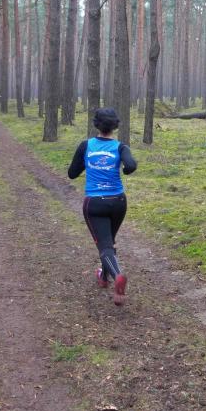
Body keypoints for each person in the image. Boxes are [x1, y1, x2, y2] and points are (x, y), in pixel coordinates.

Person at [68, 108, 137, 306]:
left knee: (105, 245)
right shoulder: (121, 147)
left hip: (95, 203)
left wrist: (89, 163)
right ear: (115, 126)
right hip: (118, 202)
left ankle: (117, 275)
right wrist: (124, 169)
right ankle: (103, 277)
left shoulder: (86, 146)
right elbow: (131, 165)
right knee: (109, 241)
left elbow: (72, 173)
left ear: (96, 125)